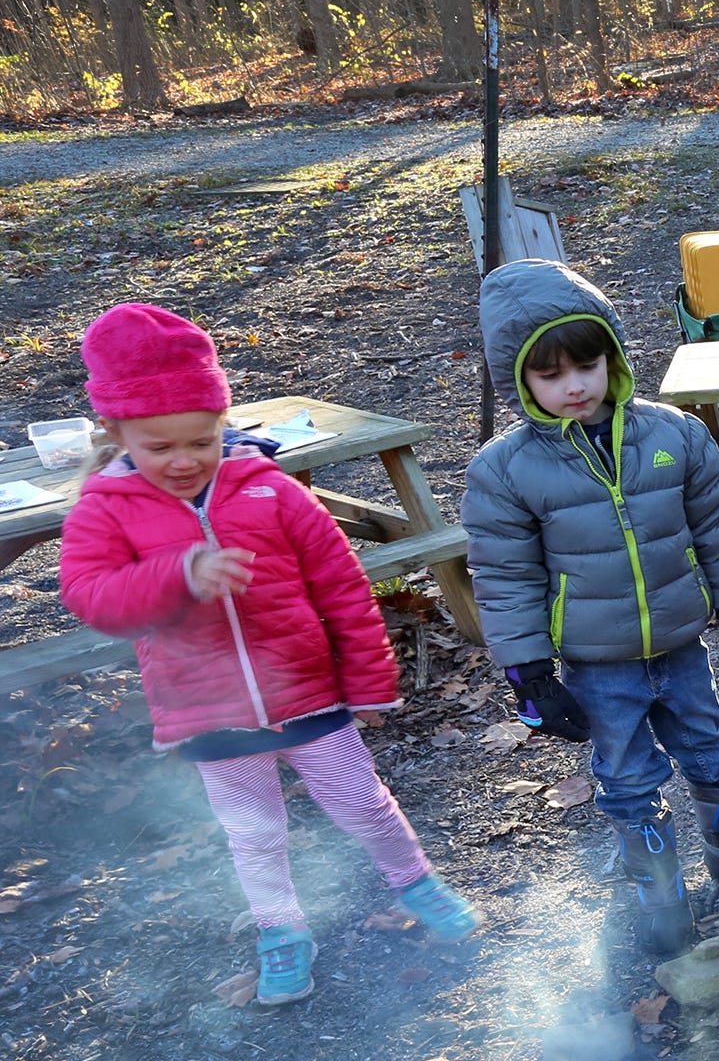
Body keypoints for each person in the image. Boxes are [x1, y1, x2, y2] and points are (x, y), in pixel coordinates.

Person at [58, 303, 478, 1005]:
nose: (185, 460)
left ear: (223, 422)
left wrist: (370, 679)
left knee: (363, 803)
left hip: (311, 693)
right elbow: (91, 596)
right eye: (160, 448)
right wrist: (179, 574)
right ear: (116, 433)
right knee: (253, 834)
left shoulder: (270, 488)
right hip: (208, 711)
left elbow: (341, 585)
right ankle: (281, 931)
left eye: (202, 439)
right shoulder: (107, 507)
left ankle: (416, 882)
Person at [464, 259, 719, 959]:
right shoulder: (505, 469)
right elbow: (505, 574)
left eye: (586, 364)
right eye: (550, 374)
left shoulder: (673, 434)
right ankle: (658, 888)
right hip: (595, 661)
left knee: (710, 749)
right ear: (518, 379)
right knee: (625, 775)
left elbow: (714, 527)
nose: (575, 385)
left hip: (680, 646)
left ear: (612, 356)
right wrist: (529, 673)